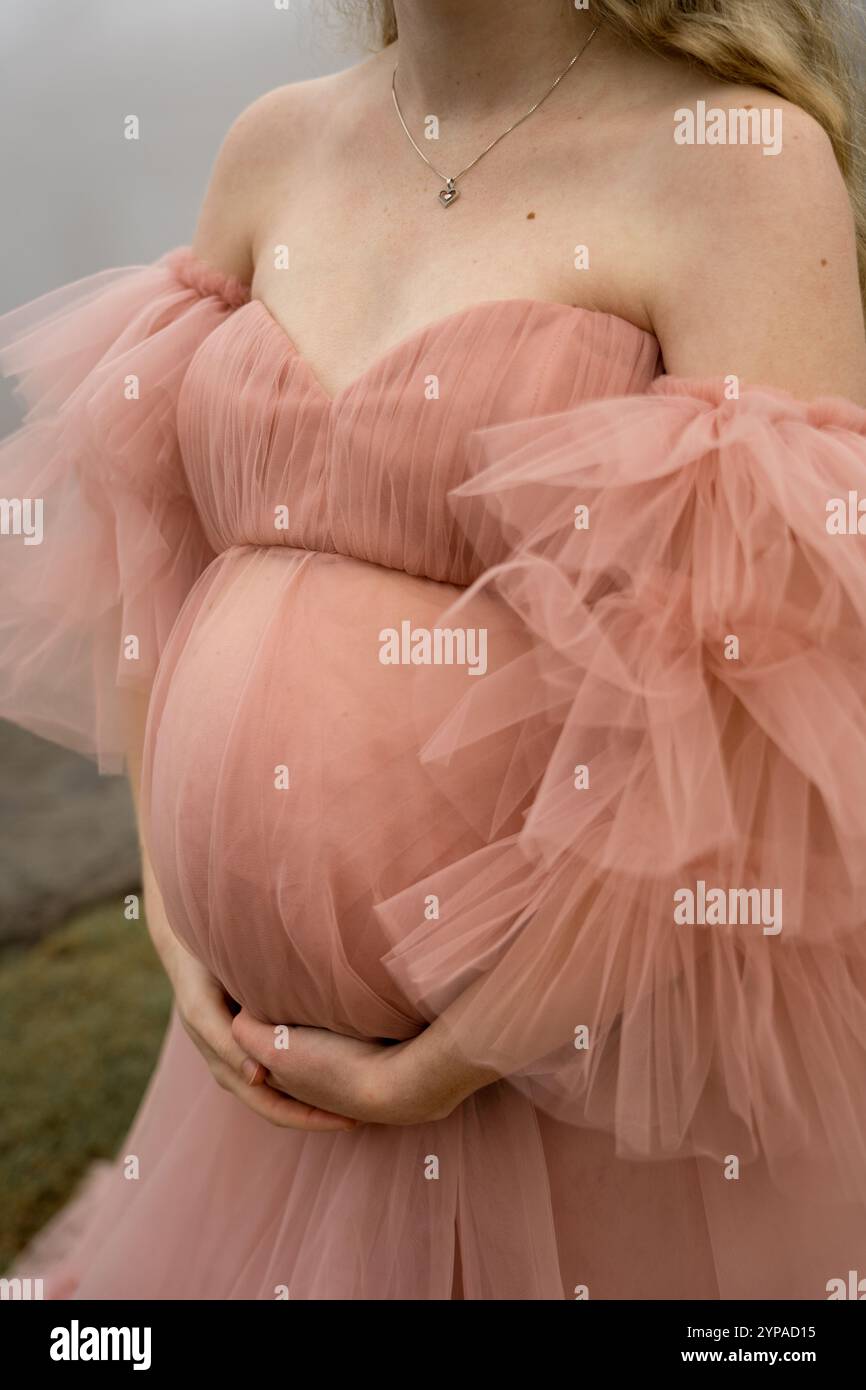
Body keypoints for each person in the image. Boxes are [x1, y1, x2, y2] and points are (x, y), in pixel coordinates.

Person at [2, 0, 866, 1299]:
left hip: (575, 1088)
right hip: (254, 1079)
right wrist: (177, 910)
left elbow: (766, 692)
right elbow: (162, 553)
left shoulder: (732, 158)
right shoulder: (272, 144)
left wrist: (467, 1046)